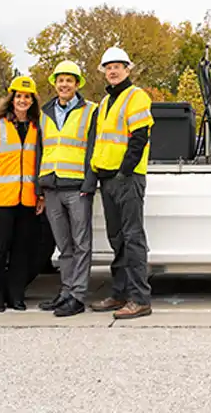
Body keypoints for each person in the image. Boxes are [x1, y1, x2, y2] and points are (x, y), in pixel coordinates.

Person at [85, 46, 153, 319]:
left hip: (127, 178)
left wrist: (124, 171)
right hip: (108, 178)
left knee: (133, 238)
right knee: (118, 239)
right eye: (108, 67)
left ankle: (139, 299)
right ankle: (120, 293)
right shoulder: (105, 102)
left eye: (117, 67)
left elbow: (139, 138)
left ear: (127, 69)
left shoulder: (136, 96)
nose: (112, 71)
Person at [36, 60, 98, 317]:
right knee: (63, 245)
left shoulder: (90, 111)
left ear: (77, 84)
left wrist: (89, 182)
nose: (64, 85)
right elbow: (40, 149)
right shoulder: (45, 112)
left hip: (77, 187)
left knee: (81, 243)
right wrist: (39, 187)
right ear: (55, 83)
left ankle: (78, 296)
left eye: (69, 80)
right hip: (51, 186)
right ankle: (66, 292)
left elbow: (94, 147)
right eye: (60, 80)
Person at [0, 75, 45, 312]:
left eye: (27, 97)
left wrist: (40, 195)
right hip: (3, 199)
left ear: (33, 101)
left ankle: (16, 295)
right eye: (18, 96)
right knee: (0, 249)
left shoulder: (38, 127)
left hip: (27, 199)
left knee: (21, 250)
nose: (22, 100)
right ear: (11, 98)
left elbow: (40, 163)